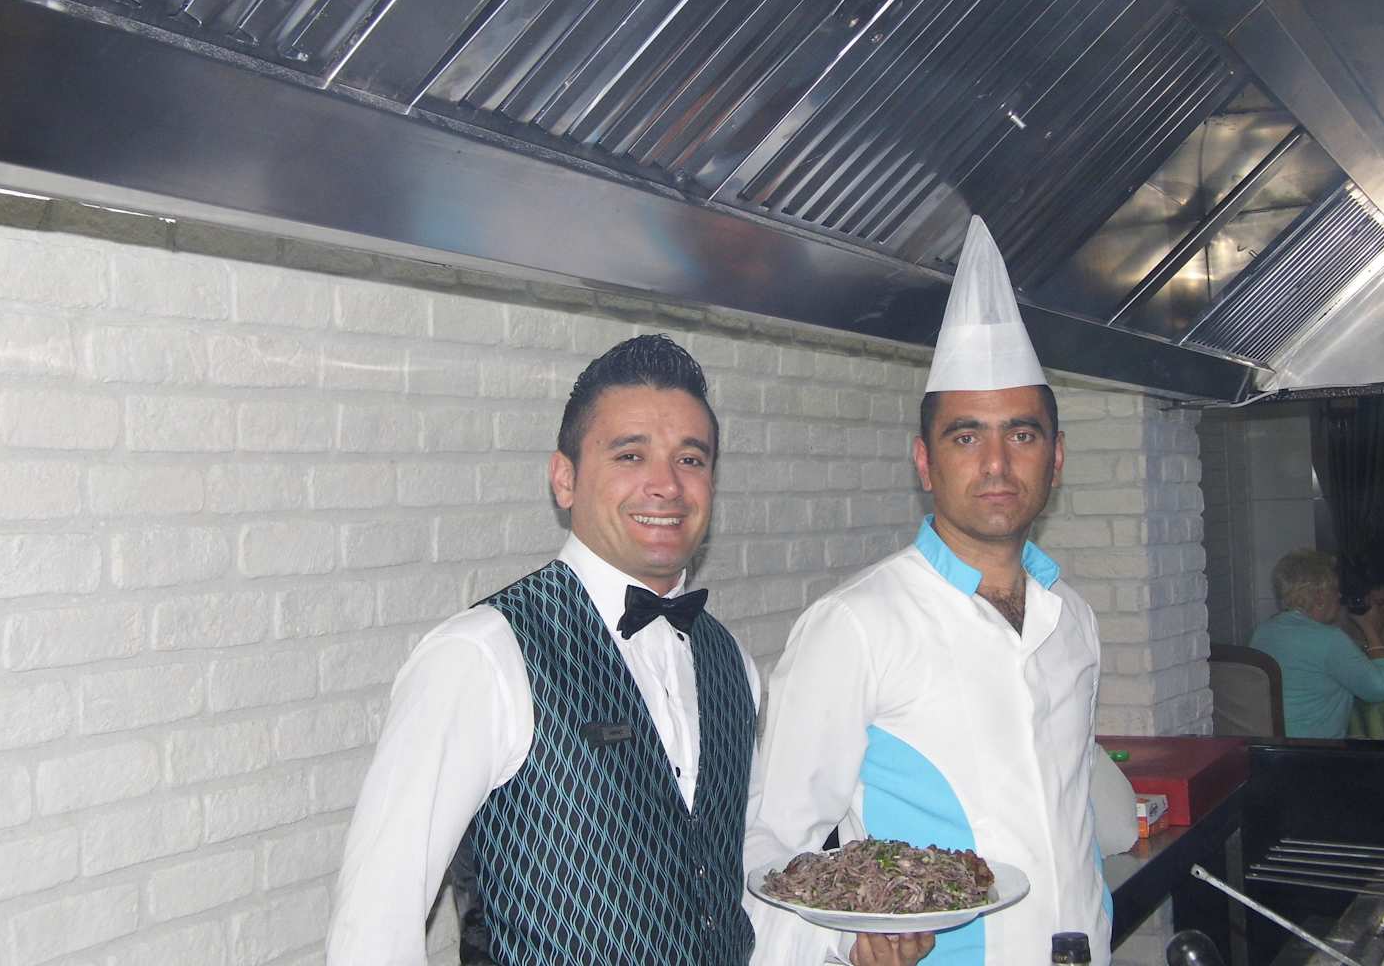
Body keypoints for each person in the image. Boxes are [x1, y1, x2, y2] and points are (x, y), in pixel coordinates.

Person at [329, 334, 772, 966]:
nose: (666, 485)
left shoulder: (734, 666)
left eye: (690, 459)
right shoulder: (482, 657)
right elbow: (374, 928)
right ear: (565, 479)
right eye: (630, 455)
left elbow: (746, 873)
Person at [745, 218, 1120, 965]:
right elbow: (771, 840)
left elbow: (1068, 812)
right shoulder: (855, 624)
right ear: (925, 462)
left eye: (1022, 435)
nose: (996, 463)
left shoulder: (1072, 619)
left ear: (1056, 459)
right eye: (965, 436)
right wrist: (844, 942)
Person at [1249, 549, 1384, 738]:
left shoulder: (1263, 631)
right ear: (1319, 598)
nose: (1339, 596)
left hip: (1271, 747)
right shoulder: (1329, 639)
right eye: (1335, 590)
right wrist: (1370, 628)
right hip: (1316, 751)